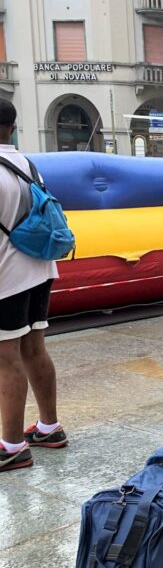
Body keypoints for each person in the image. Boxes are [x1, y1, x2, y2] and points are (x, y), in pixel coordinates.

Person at [0, 98, 65, 473]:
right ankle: (48, 427)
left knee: (5, 360)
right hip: (41, 269)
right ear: (13, 126)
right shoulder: (28, 164)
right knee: (34, 349)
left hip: (6, 276)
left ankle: (10, 446)